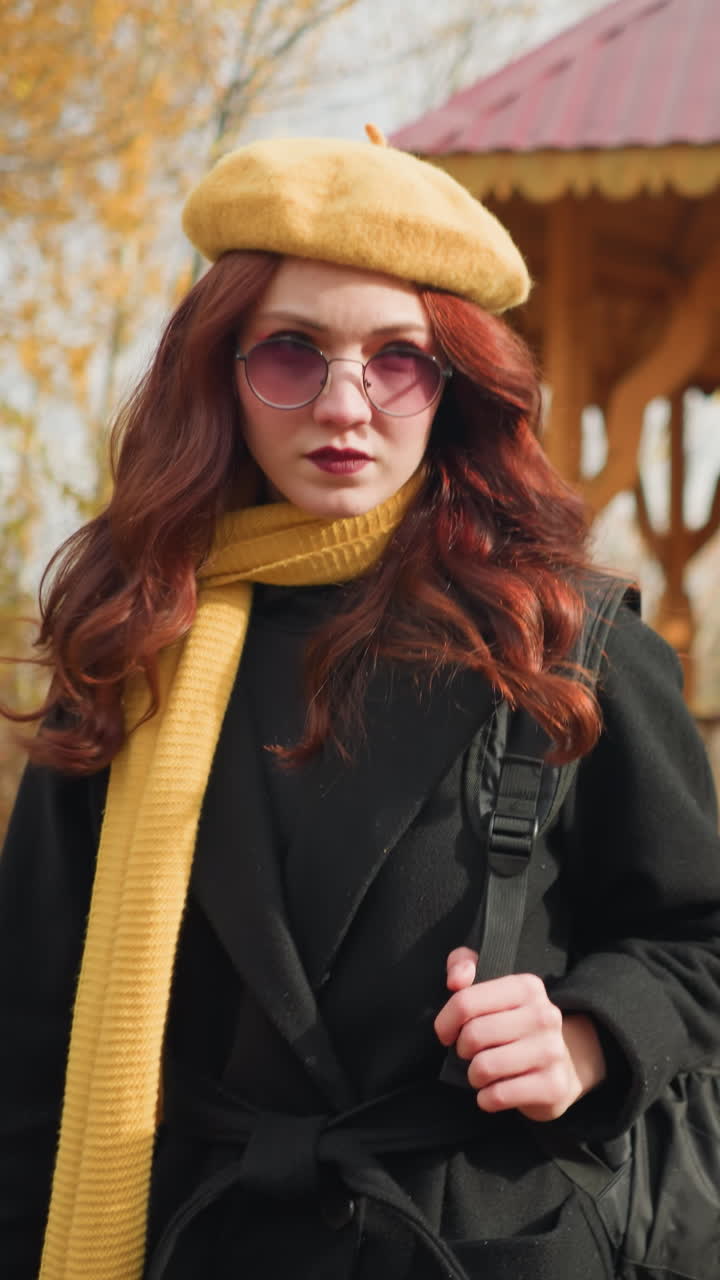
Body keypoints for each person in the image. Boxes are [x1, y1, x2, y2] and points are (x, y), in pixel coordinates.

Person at [1, 127, 719, 1280]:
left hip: (480, 1236)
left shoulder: (566, 638)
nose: (347, 403)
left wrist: (587, 1035)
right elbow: (28, 1026)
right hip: (199, 1238)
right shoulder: (131, 640)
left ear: (456, 386)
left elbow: (698, 939)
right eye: (292, 352)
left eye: (399, 359)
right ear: (220, 371)